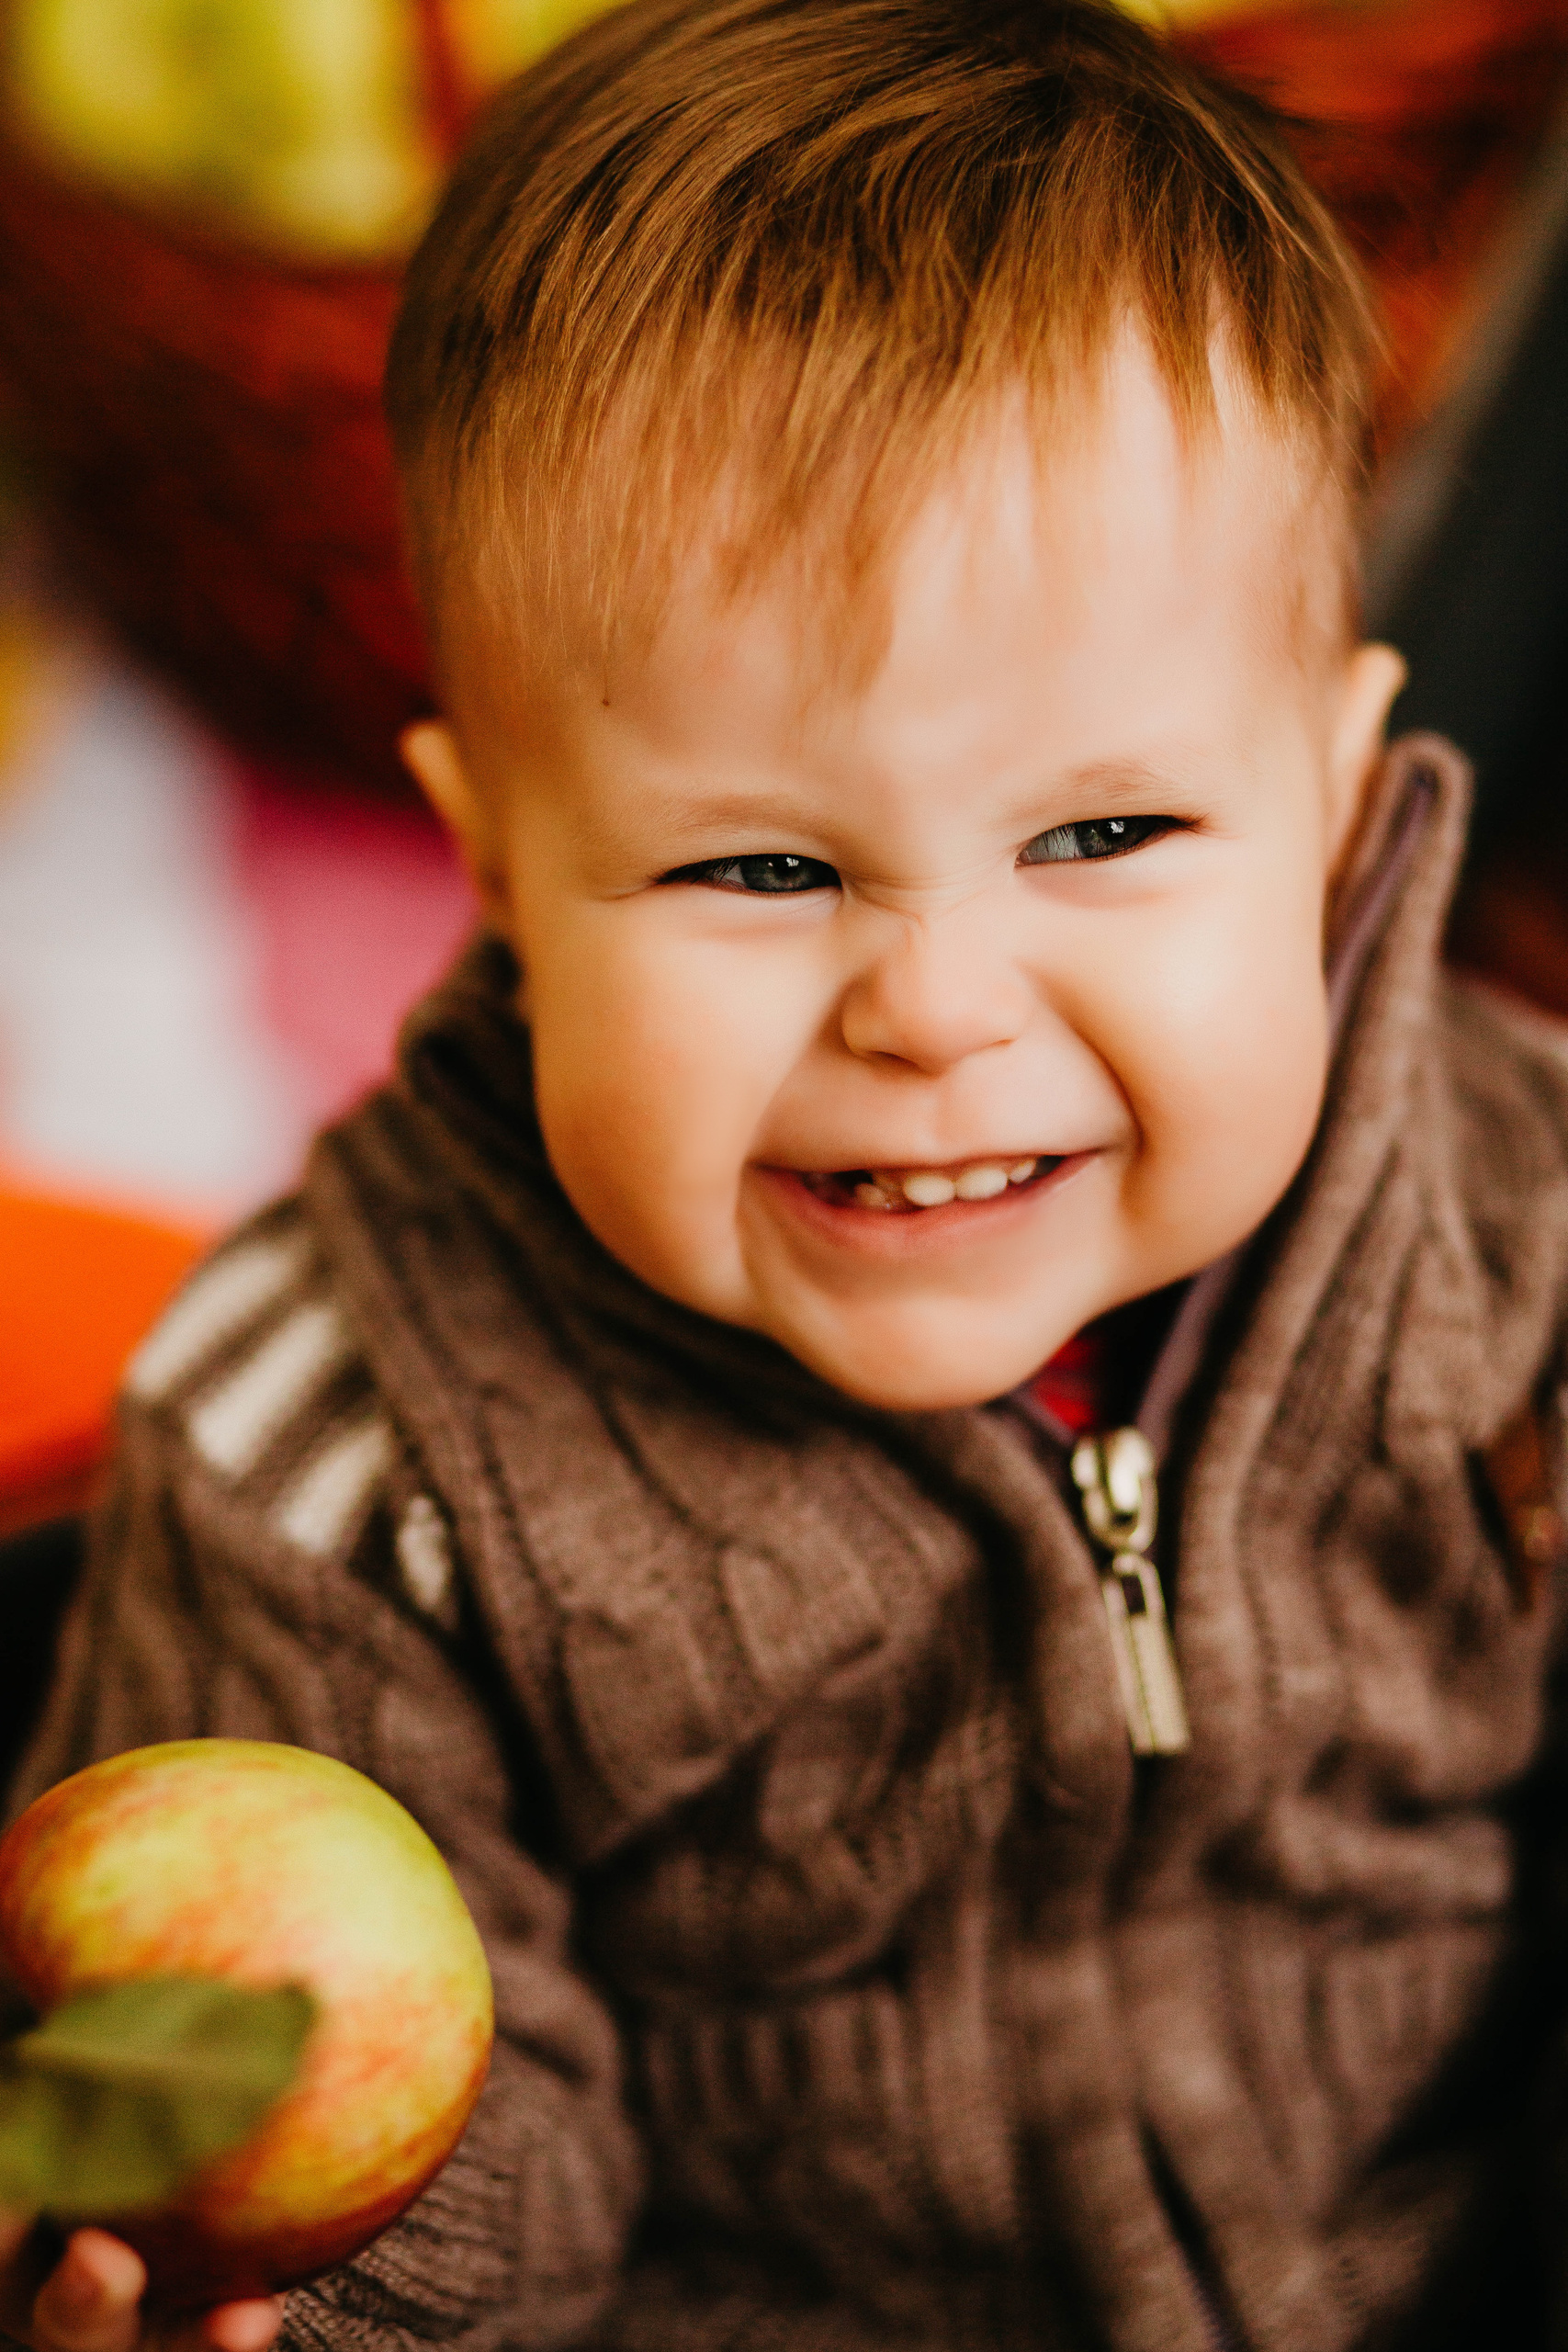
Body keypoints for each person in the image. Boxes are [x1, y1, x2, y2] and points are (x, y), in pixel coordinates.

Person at [8, 2, 1568, 2346]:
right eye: (752, 867)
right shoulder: (334, 1462)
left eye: (1106, 831)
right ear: (499, 869)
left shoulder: (1508, 1208)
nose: (933, 1004)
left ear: (1340, 804)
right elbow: (436, 2138)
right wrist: (310, 2278)